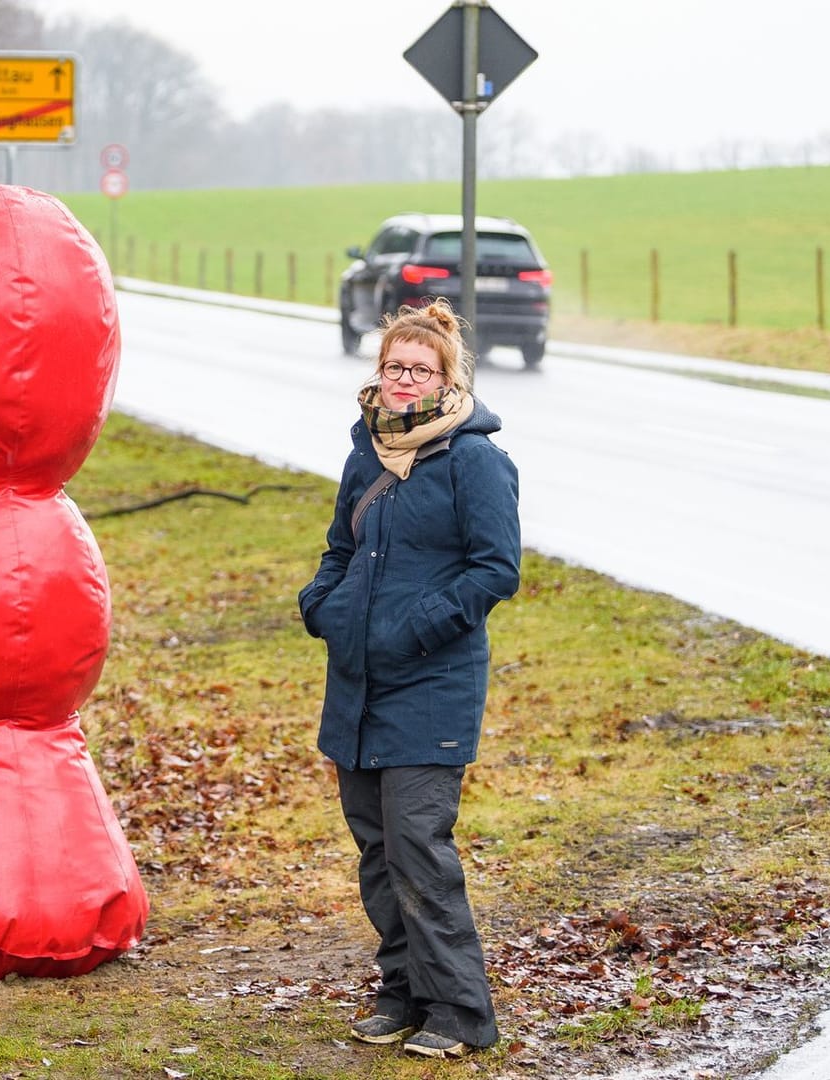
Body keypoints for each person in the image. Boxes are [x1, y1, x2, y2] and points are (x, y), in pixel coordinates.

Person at [297, 300, 520, 1060]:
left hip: (431, 689)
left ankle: (460, 1011)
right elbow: (338, 549)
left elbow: (497, 570)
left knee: (419, 849)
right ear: (380, 372)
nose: (403, 379)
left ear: (446, 378)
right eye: (394, 366)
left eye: (420, 369)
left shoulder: (475, 461)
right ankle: (402, 993)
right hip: (356, 685)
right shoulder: (367, 454)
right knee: (376, 850)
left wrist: (411, 628)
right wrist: (322, 608)